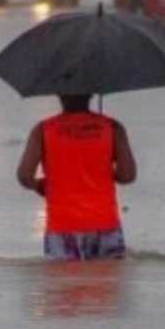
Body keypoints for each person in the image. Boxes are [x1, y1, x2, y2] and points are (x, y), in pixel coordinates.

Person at [16, 94, 137, 260]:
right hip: (105, 223)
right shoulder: (113, 127)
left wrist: (40, 186)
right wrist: (104, 172)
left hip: (62, 226)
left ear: (59, 94)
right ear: (92, 94)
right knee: (108, 276)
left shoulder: (43, 130)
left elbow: (24, 176)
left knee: (63, 277)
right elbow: (127, 176)